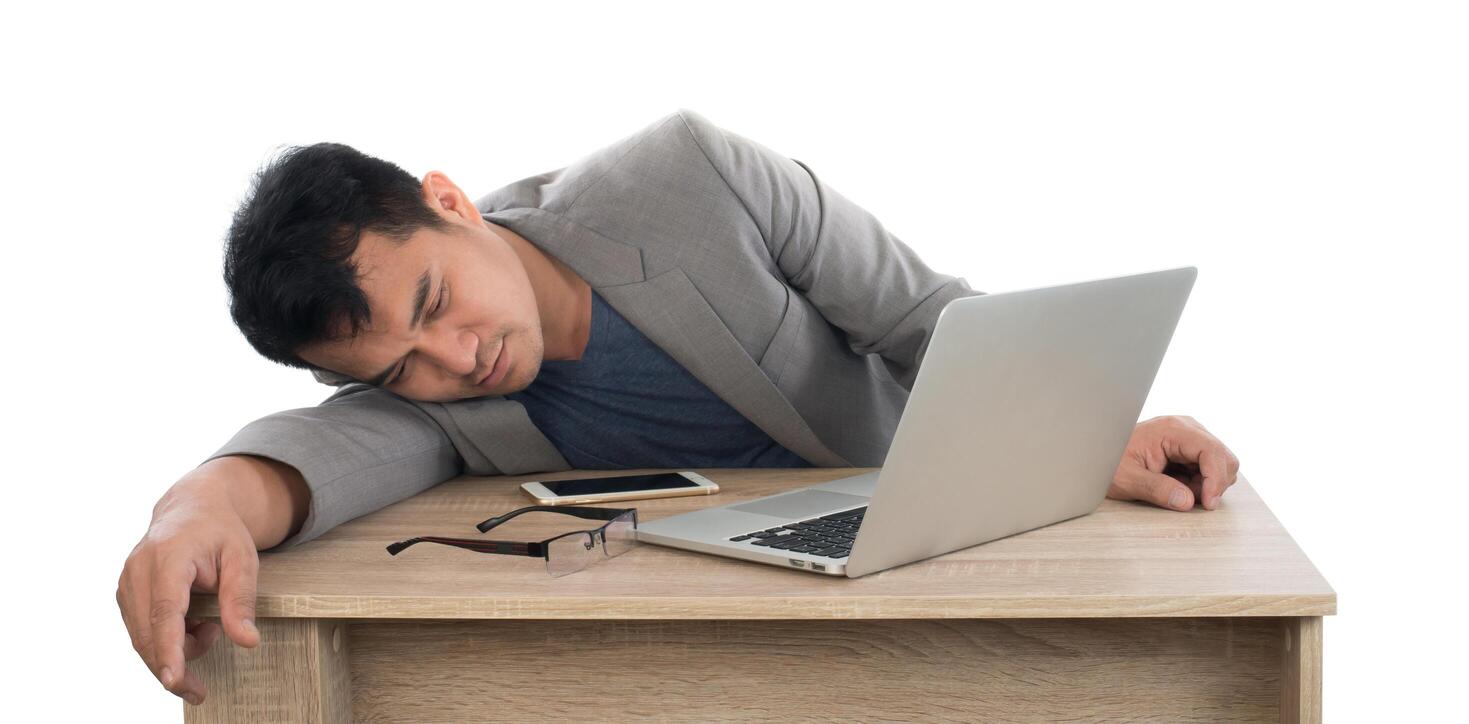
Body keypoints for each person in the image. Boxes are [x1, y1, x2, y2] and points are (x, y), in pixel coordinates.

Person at [116, 108, 1241, 708]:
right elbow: (312, 455)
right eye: (398, 366)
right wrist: (196, 508)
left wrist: (1096, 430)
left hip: (931, 559)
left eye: (434, 299)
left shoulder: (690, 179)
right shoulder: (427, 401)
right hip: (687, 652)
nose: (453, 360)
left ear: (449, 201)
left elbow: (925, 317)